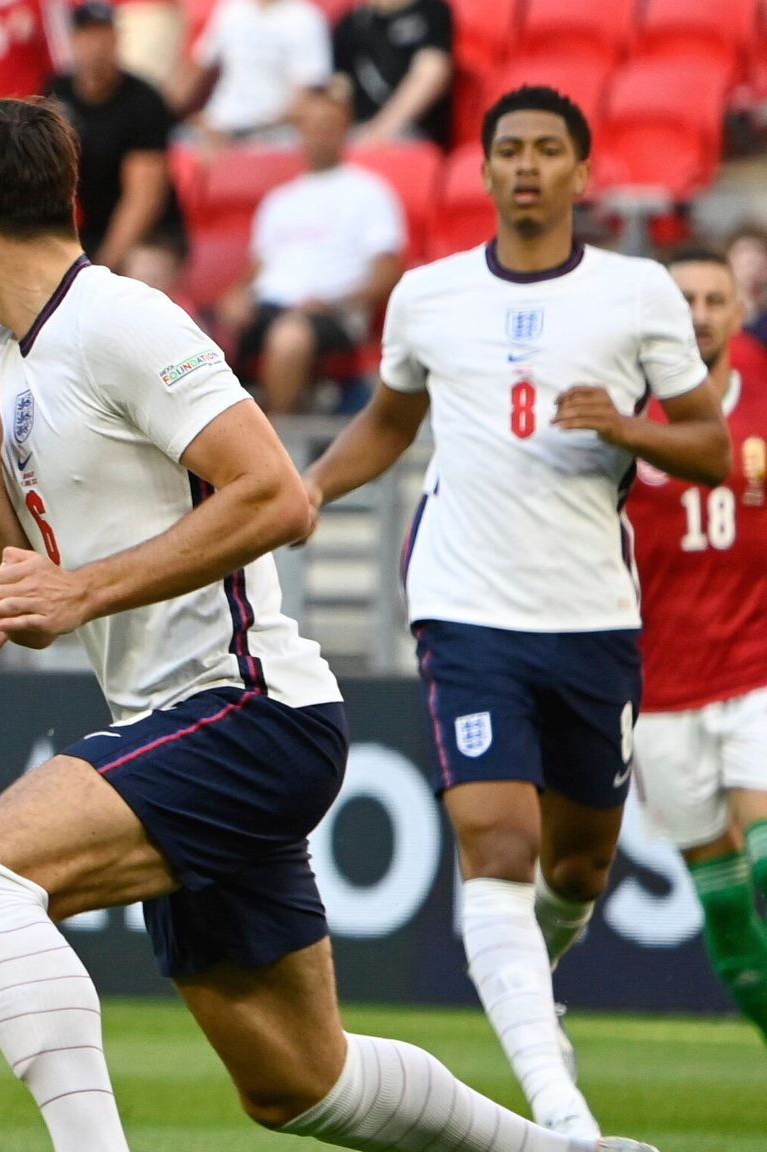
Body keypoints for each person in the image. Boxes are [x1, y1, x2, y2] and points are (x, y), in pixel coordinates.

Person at [0, 93, 663, 1152]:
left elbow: (276, 494)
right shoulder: (9, 359)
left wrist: (81, 591)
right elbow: (21, 612)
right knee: (298, 1083)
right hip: (174, 727)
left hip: (247, 709)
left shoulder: (119, 321)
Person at [301, 86, 730, 1139]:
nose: (525, 166)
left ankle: (537, 996)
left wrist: (626, 432)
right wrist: (308, 489)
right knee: (495, 842)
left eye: (546, 150)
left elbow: (710, 445)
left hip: (588, 615)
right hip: (463, 606)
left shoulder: (634, 296)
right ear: (484, 171)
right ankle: (558, 1110)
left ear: (581, 172)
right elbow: (388, 421)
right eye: (507, 150)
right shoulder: (428, 295)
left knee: (575, 866)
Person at [627, 249, 767, 1045]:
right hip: (664, 690)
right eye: (686, 299)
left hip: (757, 668)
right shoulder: (621, 411)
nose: (702, 313)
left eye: (717, 299)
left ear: (737, 313)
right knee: (721, 906)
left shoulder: (764, 390)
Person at [220, 89, 404, 414]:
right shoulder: (279, 199)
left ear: (345, 130)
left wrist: (336, 302)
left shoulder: (370, 192)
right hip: (268, 308)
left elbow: (388, 271)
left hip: (333, 314)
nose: (319, 134)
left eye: (328, 125)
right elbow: (257, 267)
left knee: (289, 338)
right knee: (201, 334)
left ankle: (276, 447)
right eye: (312, 126)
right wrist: (235, 297)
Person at [41, 1, 181, 275]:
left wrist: (101, 269)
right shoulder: (55, 93)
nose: (96, 46)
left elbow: (143, 198)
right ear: (73, 41)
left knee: (144, 271)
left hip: (148, 235)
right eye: (88, 36)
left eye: (104, 35)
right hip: (79, 231)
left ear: (118, 39)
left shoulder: (145, 101)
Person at [173, 0, 331, 150]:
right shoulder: (231, 8)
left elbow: (307, 100)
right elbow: (199, 67)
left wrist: (240, 133)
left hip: (273, 133)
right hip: (219, 123)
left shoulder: (305, 19)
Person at [331, 0, 454, 146]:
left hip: (413, 131)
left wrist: (378, 132)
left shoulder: (430, 10)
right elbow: (339, 88)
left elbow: (432, 74)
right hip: (358, 131)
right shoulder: (350, 24)